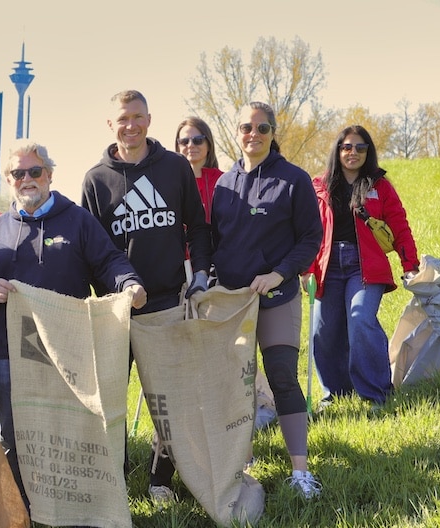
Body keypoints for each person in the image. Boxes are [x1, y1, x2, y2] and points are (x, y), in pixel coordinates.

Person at [0, 140, 145, 519]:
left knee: (70, 428)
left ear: (49, 174)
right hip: (6, 350)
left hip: (66, 347)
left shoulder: (77, 220)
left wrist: (128, 283)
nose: (27, 179)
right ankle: (25, 510)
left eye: (35, 172)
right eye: (18, 173)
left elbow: (109, 260)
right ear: (9, 180)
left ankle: (79, 511)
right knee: (13, 431)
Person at [81, 91, 213, 504]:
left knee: (170, 400)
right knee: (112, 402)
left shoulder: (174, 168)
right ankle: (113, 484)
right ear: (110, 124)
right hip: (117, 312)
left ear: (150, 120)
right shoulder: (96, 179)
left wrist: (202, 275)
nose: (131, 125)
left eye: (138, 117)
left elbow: (199, 227)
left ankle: (161, 479)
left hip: (168, 303)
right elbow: (93, 250)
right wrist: (104, 300)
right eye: (123, 119)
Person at [210, 102, 324, 499]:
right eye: (246, 127)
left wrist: (278, 272)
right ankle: (242, 464)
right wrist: (208, 280)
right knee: (236, 385)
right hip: (233, 304)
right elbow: (214, 242)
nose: (253, 134)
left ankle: (301, 472)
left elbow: (312, 237)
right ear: (236, 132)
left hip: (277, 296)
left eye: (262, 127)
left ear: (273, 132)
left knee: (281, 376)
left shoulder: (293, 180)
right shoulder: (223, 186)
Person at [309, 125, 419, 407]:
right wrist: (307, 269)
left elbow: (400, 227)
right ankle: (335, 394)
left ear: (368, 152)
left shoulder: (379, 186)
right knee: (324, 328)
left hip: (364, 267)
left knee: (360, 320)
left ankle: (377, 393)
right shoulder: (319, 186)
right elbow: (307, 231)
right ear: (337, 150)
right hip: (328, 266)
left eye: (360, 147)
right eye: (346, 147)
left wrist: (410, 264)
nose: (353, 152)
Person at [175, 116, 223, 222]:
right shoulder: (170, 182)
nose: (191, 145)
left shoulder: (224, 181)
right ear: (178, 146)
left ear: (209, 144)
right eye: (184, 141)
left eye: (198, 140)